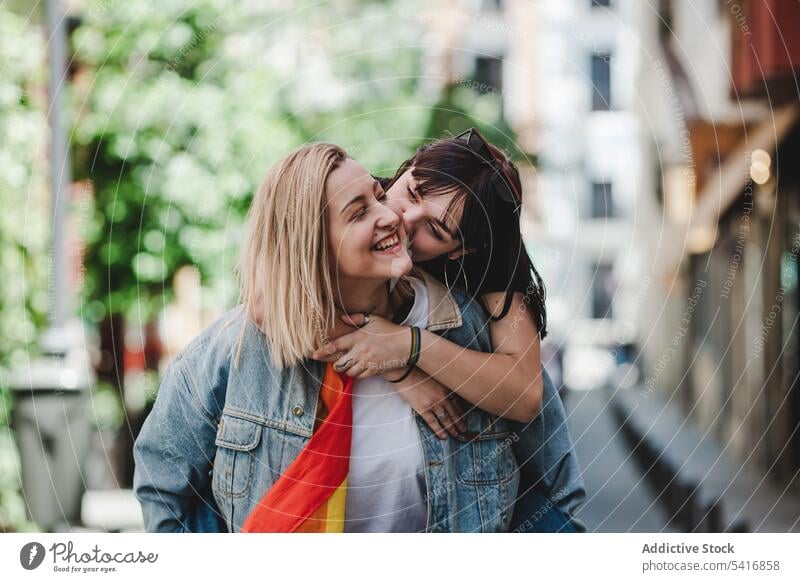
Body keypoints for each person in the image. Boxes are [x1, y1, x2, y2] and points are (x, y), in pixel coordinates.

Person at [133, 143, 526, 532]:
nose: (395, 216)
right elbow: (163, 486)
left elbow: (550, 478)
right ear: (313, 243)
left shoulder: (471, 326)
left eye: (376, 196)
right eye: (360, 211)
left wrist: (409, 348)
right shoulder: (234, 351)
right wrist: (400, 371)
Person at [312, 129, 586, 532]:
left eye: (435, 231)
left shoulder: (487, 276)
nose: (403, 218)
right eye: (413, 191)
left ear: (458, 251)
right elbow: (275, 295)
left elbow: (526, 395)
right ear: (408, 168)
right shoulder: (364, 201)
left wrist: (411, 347)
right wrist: (400, 373)